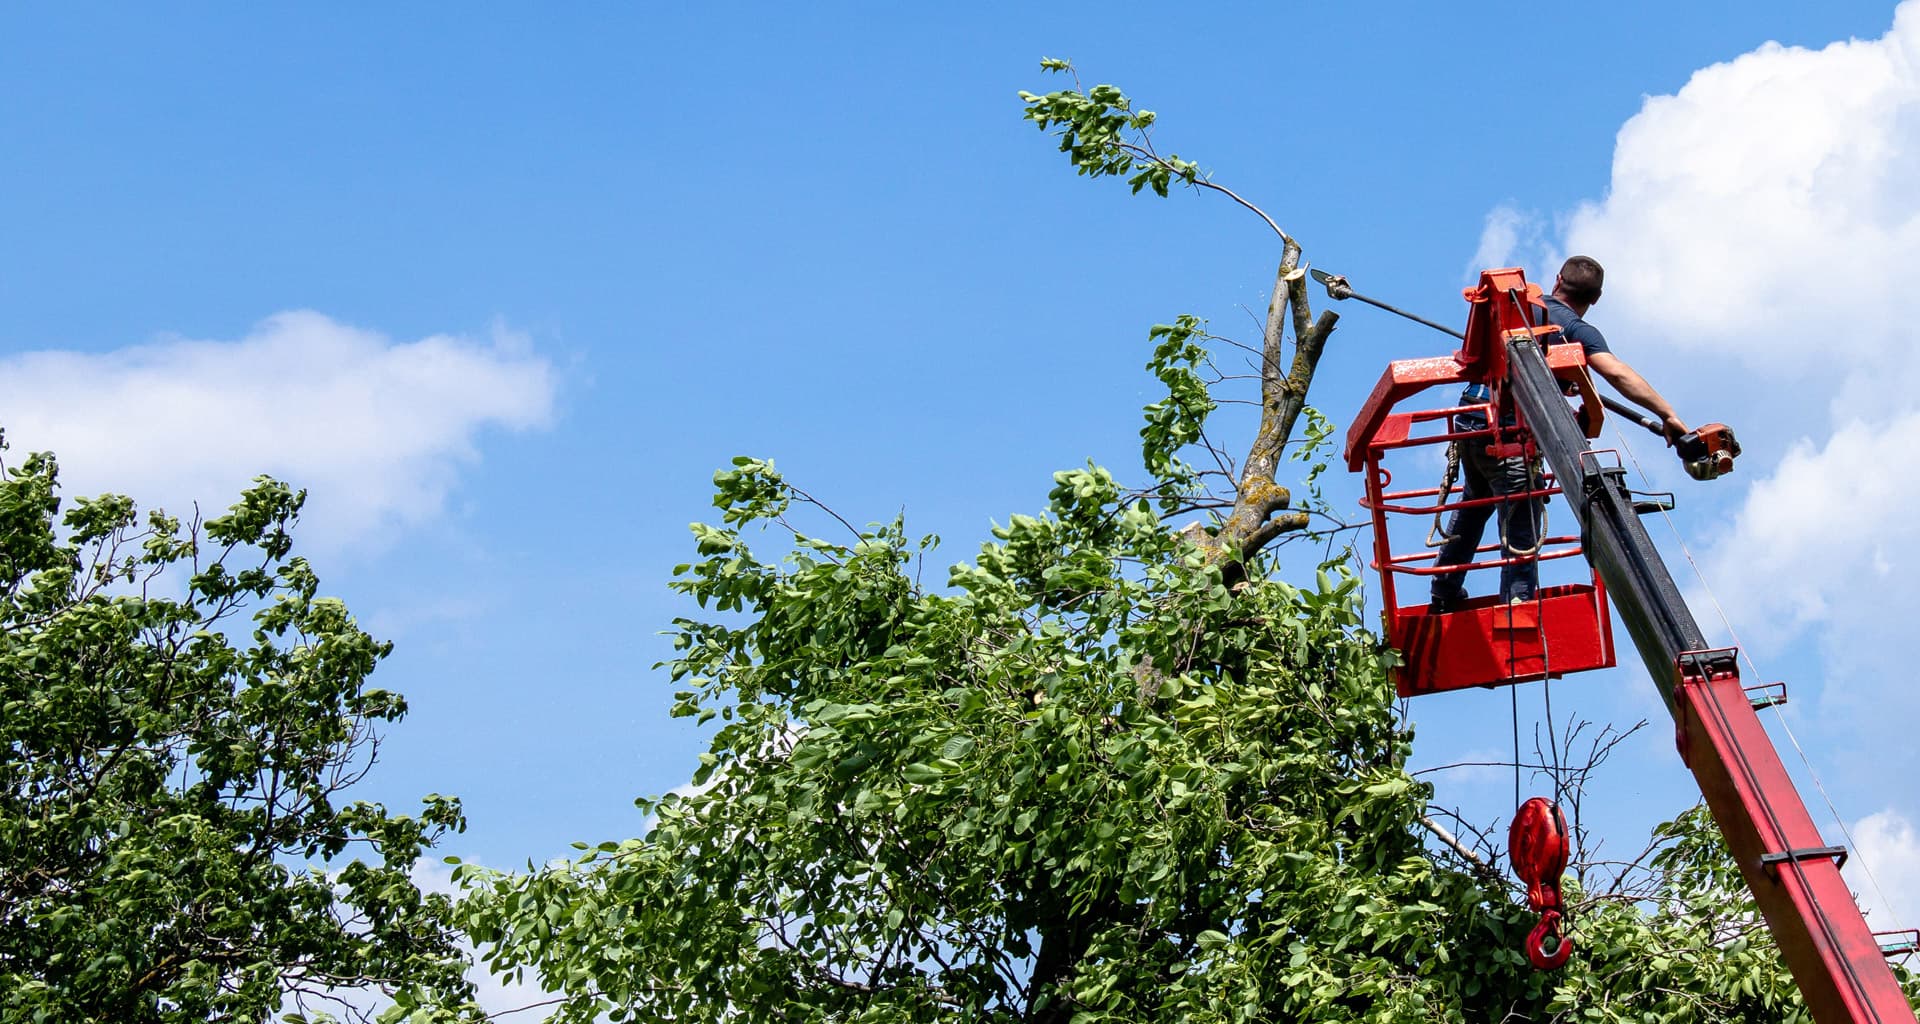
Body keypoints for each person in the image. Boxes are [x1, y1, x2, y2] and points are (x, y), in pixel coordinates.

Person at [1428, 256, 1689, 612]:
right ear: (1595, 299)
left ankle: (1444, 588)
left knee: (1475, 503)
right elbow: (1617, 374)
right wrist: (1667, 414)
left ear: (1556, 281)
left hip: (1469, 418)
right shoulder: (1575, 330)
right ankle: (1518, 608)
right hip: (1507, 433)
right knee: (1522, 517)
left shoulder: (1516, 309)